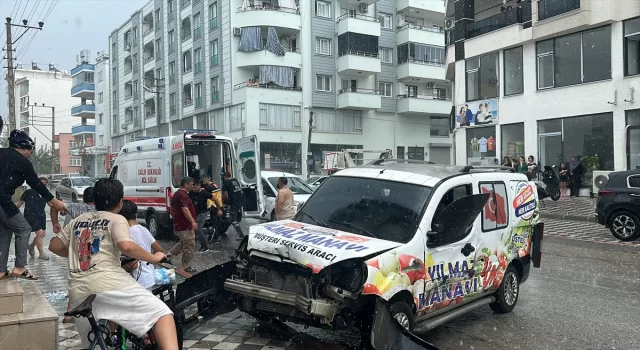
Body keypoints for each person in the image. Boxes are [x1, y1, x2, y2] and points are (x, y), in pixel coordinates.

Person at [48, 178, 178, 350]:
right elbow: (126, 246)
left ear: (95, 200)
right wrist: (154, 258)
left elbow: (54, 246)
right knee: (163, 314)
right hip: (110, 284)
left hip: (78, 292)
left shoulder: (77, 221)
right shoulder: (116, 219)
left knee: (93, 344)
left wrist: (81, 255)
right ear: (120, 202)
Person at [0, 129, 66, 281]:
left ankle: (1, 271)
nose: (30, 154)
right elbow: (36, 184)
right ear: (24, 148)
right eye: (30, 150)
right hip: (3, 201)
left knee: (5, 231)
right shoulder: (23, 162)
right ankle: (20, 267)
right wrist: (54, 201)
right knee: (24, 229)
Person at [52, 186, 97, 323]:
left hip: (76, 249)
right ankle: (92, 309)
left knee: (75, 279)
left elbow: (54, 205)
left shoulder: (75, 207)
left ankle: (69, 314)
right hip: (94, 251)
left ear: (84, 198)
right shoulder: (100, 210)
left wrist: (55, 223)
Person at [119, 200, 163, 289]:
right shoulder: (144, 229)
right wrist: (148, 261)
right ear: (135, 214)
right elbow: (159, 249)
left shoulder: (125, 233)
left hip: (135, 281)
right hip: (148, 277)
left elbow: (132, 265)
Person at [167, 177, 197, 273]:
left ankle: (168, 256)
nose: (192, 186)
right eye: (191, 184)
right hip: (185, 226)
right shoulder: (183, 195)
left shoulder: (177, 194)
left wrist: (175, 219)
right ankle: (185, 266)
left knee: (183, 242)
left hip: (180, 224)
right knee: (189, 245)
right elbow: (185, 209)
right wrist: (192, 221)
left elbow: (171, 208)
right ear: (186, 184)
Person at [15, 177, 50, 261]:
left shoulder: (46, 193)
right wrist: (13, 214)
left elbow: (51, 203)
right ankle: (41, 254)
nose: (43, 185)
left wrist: (61, 207)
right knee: (39, 233)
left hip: (41, 215)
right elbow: (19, 204)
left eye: (45, 183)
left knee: (42, 234)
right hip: (30, 215)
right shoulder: (29, 192)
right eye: (41, 183)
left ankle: (31, 246)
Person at [222, 172, 245, 241]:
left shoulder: (226, 182)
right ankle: (222, 230)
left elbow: (225, 194)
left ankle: (241, 235)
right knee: (231, 218)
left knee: (232, 219)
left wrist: (224, 201)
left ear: (225, 177)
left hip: (234, 202)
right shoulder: (235, 180)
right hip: (239, 201)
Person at [189, 180, 211, 252]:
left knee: (198, 229)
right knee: (195, 230)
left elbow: (213, 198)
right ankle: (209, 231)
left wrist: (218, 209)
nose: (193, 187)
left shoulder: (203, 192)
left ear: (198, 186)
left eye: (194, 186)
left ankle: (204, 246)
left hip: (202, 213)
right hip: (196, 213)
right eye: (192, 186)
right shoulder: (192, 193)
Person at [200, 177, 224, 242]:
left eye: (204, 182)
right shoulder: (215, 185)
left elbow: (201, 189)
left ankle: (215, 236)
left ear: (208, 180)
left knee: (214, 222)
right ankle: (218, 235)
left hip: (214, 205)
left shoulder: (209, 186)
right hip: (220, 204)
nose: (203, 183)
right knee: (218, 221)